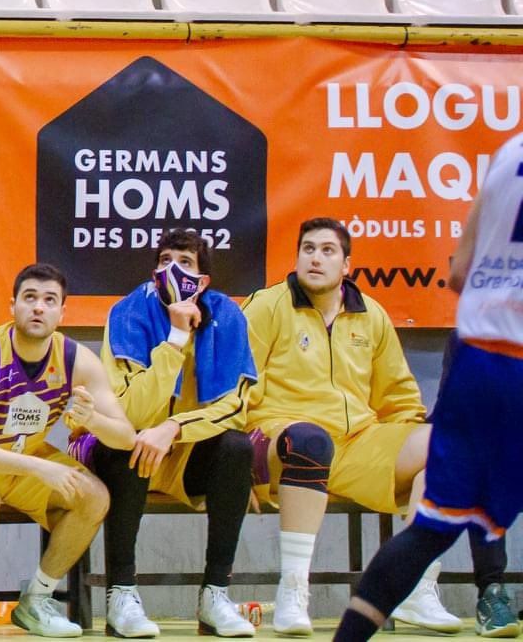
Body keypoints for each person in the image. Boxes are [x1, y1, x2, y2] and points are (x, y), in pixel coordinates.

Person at [330, 136, 523, 642]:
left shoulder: (508, 154)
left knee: (433, 526)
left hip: (479, 355)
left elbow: (459, 273)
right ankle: (492, 595)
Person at [244, 218, 458, 636]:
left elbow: (398, 396)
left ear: (347, 265)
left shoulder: (370, 314)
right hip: (285, 437)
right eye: (308, 248)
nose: (315, 258)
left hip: (357, 443)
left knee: (445, 446)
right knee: (309, 439)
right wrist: (241, 453)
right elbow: (239, 387)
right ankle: (292, 590)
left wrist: (409, 445)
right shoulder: (266, 306)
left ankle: (415, 589)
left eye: (327, 250)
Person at [0, 263, 134, 640]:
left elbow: (126, 438)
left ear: (62, 312)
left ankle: (37, 600)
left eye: (49, 300)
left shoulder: (75, 359)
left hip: (24, 458)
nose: (39, 307)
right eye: (30, 298)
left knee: (93, 496)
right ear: (13, 306)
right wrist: (39, 468)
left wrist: (93, 421)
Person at [86, 230, 257, 639]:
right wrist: (176, 338)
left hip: (180, 450)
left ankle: (216, 593)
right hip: (119, 447)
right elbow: (130, 411)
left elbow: (235, 407)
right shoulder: (127, 313)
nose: (172, 270)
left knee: (236, 447)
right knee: (129, 442)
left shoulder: (228, 316)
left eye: (185, 262)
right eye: (165, 260)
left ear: (203, 282)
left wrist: (174, 427)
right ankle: (121, 593)